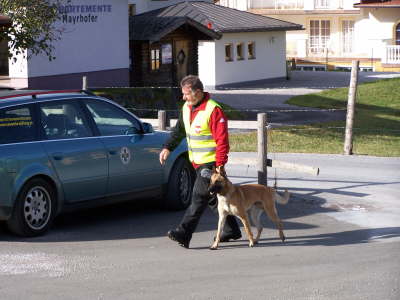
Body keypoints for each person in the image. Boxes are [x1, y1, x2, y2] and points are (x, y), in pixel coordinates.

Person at [159, 75, 241, 249]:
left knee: (197, 197)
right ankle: (231, 230)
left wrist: (219, 165)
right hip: (196, 162)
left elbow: (222, 140)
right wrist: (168, 147)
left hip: (210, 164)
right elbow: (179, 130)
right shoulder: (186, 108)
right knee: (211, 198)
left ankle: (183, 233)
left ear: (197, 92)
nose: (183, 97)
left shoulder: (213, 110)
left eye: (186, 94)